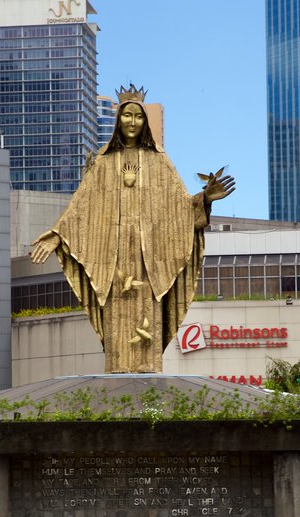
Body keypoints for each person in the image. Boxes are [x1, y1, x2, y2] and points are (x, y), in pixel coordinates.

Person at [30, 84, 234, 373]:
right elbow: (81, 208)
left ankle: (147, 371)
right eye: (127, 116)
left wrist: (203, 199)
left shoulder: (158, 160)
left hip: (149, 259)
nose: (132, 122)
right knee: (118, 320)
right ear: (118, 120)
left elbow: (179, 207)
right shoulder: (104, 161)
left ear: (145, 122)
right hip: (114, 257)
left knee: (147, 320)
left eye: (138, 117)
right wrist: (57, 235)